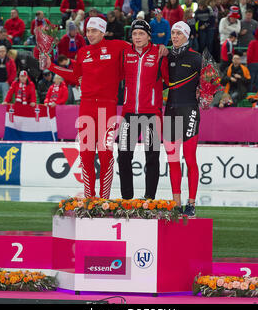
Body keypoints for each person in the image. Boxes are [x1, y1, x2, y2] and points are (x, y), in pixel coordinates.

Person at [44, 17, 131, 199]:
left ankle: (104, 199)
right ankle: (89, 199)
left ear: (103, 31)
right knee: (86, 155)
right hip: (86, 108)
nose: (90, 35)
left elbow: (139, 48)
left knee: (106, 154)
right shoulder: (83, 52)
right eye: (88, 31)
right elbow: (75, 76)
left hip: (107, 109)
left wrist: (159, 49)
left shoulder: (118, 46)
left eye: (94, 31)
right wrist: (51, 66)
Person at [118, 19, 169, 201]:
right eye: (134, 34)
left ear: (149, 36)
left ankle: (149, 199)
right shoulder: (125, 53)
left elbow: (171, 81)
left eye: (141, 34)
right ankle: (127, 199)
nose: (137, 37)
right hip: (128, 114)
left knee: (152, 158)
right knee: (123, 157)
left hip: (151, 114)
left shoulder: (159, 54)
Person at [163, 21, 202, 217]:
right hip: (170, 111)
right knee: (172, 159)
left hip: (189, 112)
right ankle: (176, 203)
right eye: (173, 33)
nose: (175, 36)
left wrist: (207, 95)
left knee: (190, 159)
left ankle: (192, 203)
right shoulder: (166, 56)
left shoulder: (196, 58)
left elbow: (211, 85)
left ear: (186, 35)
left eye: (179, 33)